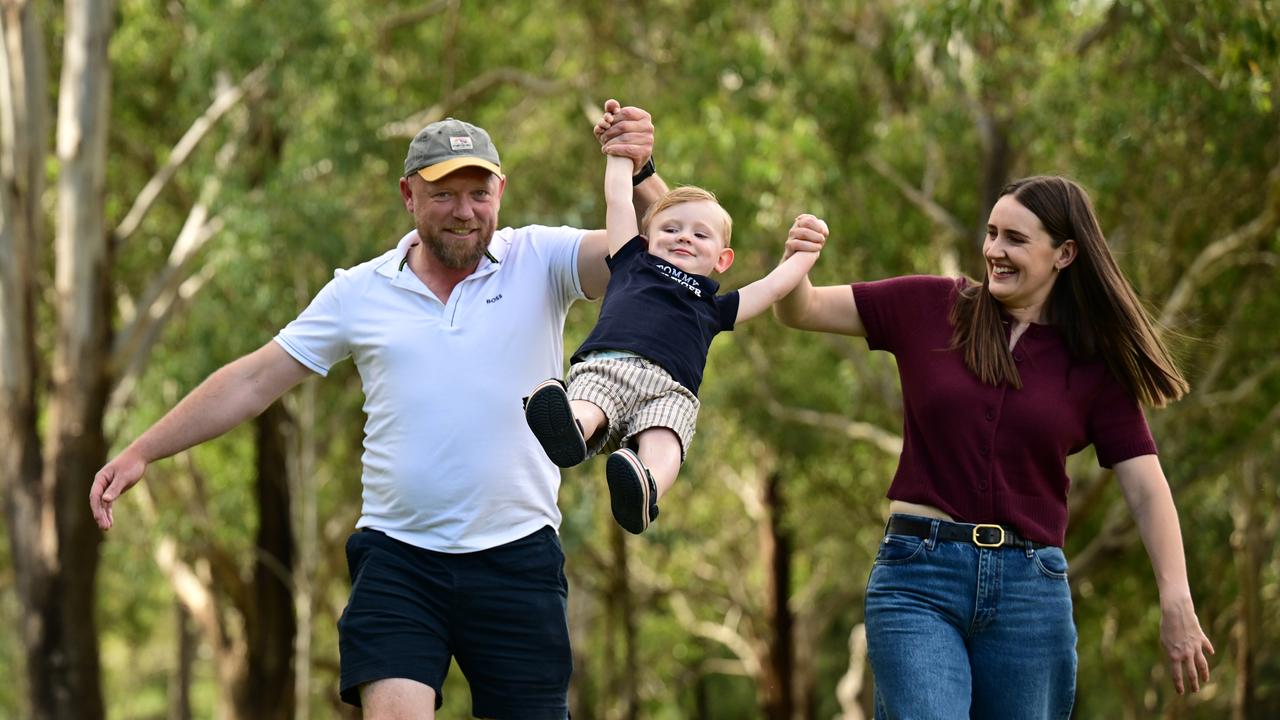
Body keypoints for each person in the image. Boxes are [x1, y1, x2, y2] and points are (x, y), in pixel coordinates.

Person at [89, 100, 663, 720]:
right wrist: (144, 448)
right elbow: (254, 379)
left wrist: (642, 169)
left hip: (517, 555)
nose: (464, 212)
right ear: (408, 196)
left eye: (478, 193)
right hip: (400, 559)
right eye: (443, 195)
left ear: (501, 191)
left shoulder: (542, 260)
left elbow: (660, 250)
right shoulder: (359, 291)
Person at [774, 176, 1213, 719]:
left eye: (1015, 239)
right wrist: (796, 263)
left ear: (1065, 253)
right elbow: (803, 309)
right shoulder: (933, 305)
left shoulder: (1094, 366)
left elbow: (1147, 490)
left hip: (1031, 595)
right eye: (991, 233)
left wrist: (1176, 598)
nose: (994, 251)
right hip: (918, 577)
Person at [522, 110, 825, 535]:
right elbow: (618, 200)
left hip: (670, 389)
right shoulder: (631, 259)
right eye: (671, 228)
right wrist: (618, 154)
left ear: (722, 259)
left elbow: (773, 288)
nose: (684, 236)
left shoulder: (714, 304)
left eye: (700, 235)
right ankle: (569, 429)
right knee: (590, 399)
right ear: (648, 235)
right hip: (611, 365)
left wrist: (805, 254)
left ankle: (644, 485)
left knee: (666, 436)